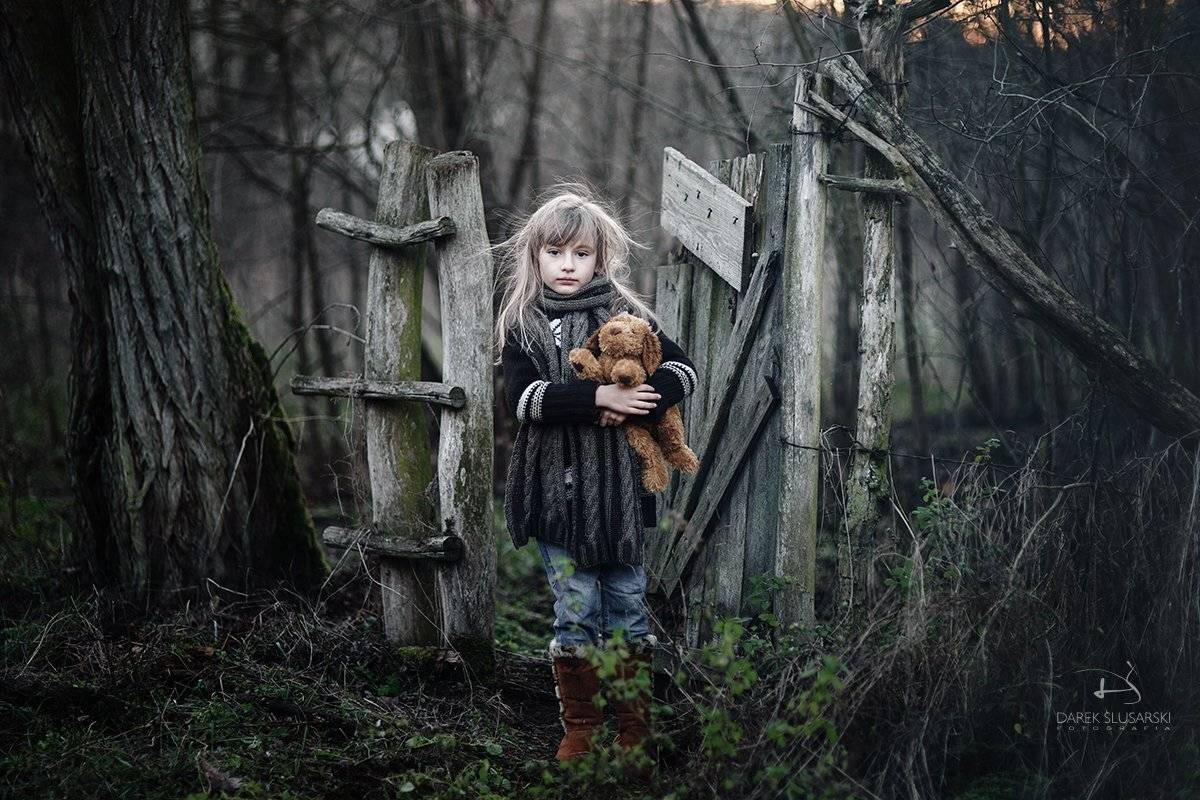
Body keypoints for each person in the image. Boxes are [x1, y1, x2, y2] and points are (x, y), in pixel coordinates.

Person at [494, 184, 697, 765]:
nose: (567, 264)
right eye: (555, 252)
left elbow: (683, 370)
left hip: (622, 502)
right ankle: (579, 728)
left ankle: (634, 728)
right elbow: (525, 399)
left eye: (580, 253)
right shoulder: (525, 325)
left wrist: (641, 399)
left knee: (627, 604)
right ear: (535, 256)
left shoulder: (626, 318)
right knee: (576, 608)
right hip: (558, 501)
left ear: (600, 258)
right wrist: (594, 396)